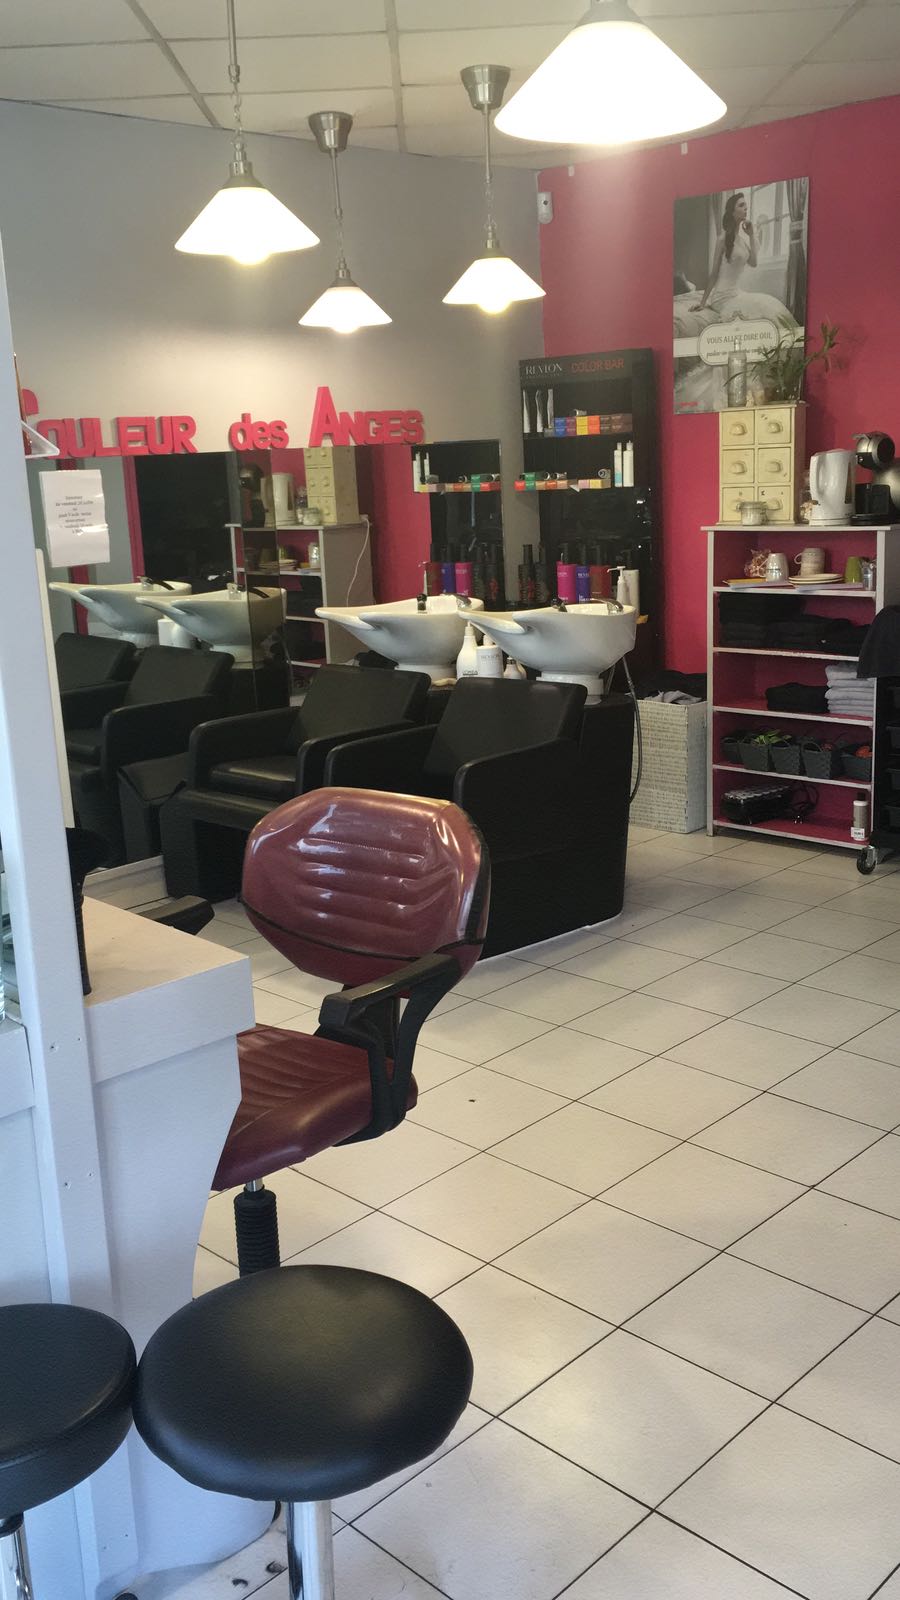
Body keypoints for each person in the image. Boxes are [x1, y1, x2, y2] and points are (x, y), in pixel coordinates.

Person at [692, 193, 757, 312]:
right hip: (722, 296)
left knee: (758, 304)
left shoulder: (742, 241)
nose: (745, 208)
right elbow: (714, 274)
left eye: (746, 206)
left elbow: (754, 263)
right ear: (732, 212)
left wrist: (751, 235)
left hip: (736, 293)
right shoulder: (722, 239)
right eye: (741, 205)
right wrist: (703, 302)